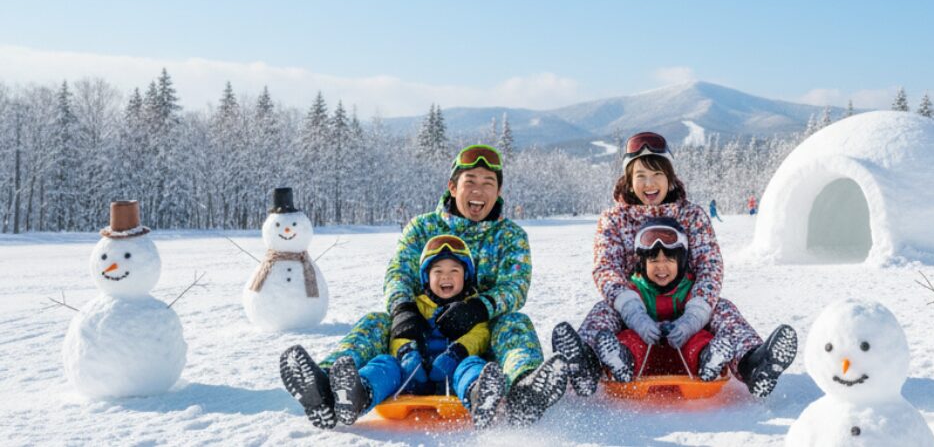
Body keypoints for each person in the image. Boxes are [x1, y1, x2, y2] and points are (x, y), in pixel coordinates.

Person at [279, 144, 568, 430]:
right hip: (416, 332)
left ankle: (525, 389)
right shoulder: (421, 228)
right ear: (453, 187)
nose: (479, 191)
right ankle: (328, 386)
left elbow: (515, 286)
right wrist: (404, 310)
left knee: (515, 322)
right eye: (470, 182)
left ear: (499, 192)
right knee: (376, 322)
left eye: (488, 183)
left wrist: (479, 308)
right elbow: (398, 272)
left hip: (479, 343)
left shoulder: (510, 236)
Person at [552, 132, 797, 398]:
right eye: (641, 176)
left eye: (657, 174)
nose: (649, 184)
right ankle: (587, 365)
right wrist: (632, 311)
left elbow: (710, 266)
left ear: (669, 177)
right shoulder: (614, 220)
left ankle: (753, 364)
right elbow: (606, 268)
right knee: (603, 312)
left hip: (686, 306)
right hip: (633, 309)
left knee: (723, 309)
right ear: (628, 180)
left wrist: (695, 316)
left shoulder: (691, 215)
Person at [327, 235, 506, 428]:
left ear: (466, 276)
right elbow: (401, 333)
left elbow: (480, 334)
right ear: (426, 278)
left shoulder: (470, 309)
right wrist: (406, 353)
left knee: (472, 364)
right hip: (410, 376)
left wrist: (458, 352)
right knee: (386, 364)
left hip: (454, 375)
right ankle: (358, 394)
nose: (446, 276)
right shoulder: (417, 306)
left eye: (454, 271)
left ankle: (479, 393)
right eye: (438, 271)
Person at [593, 218, 718, 380]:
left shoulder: (690, 288)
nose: (661, 267)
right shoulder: (635, 289)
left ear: (681, 262)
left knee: (698, 337)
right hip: (642, 360)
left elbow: (700, 313)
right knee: (630, 337)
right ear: (642, 263)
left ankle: (709, 358)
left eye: (669, 259)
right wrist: (640, 324)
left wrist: (686, 326)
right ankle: (621, 360)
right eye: (653, 260)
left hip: (687, 359)